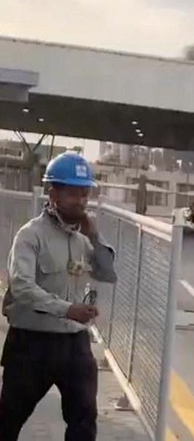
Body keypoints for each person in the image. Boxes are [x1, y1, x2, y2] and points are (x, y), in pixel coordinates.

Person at [0, 152, 117, 440]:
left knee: (84, 421)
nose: (81, 201)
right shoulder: (30, 236)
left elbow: (104, 274)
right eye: (73, 193)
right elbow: (22, 286)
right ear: (53, 193)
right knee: (7, 420)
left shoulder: (83, 238)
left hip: (74, 345)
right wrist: (68, 309)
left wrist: (96, 238)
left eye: (85, 194)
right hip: (31, 344)